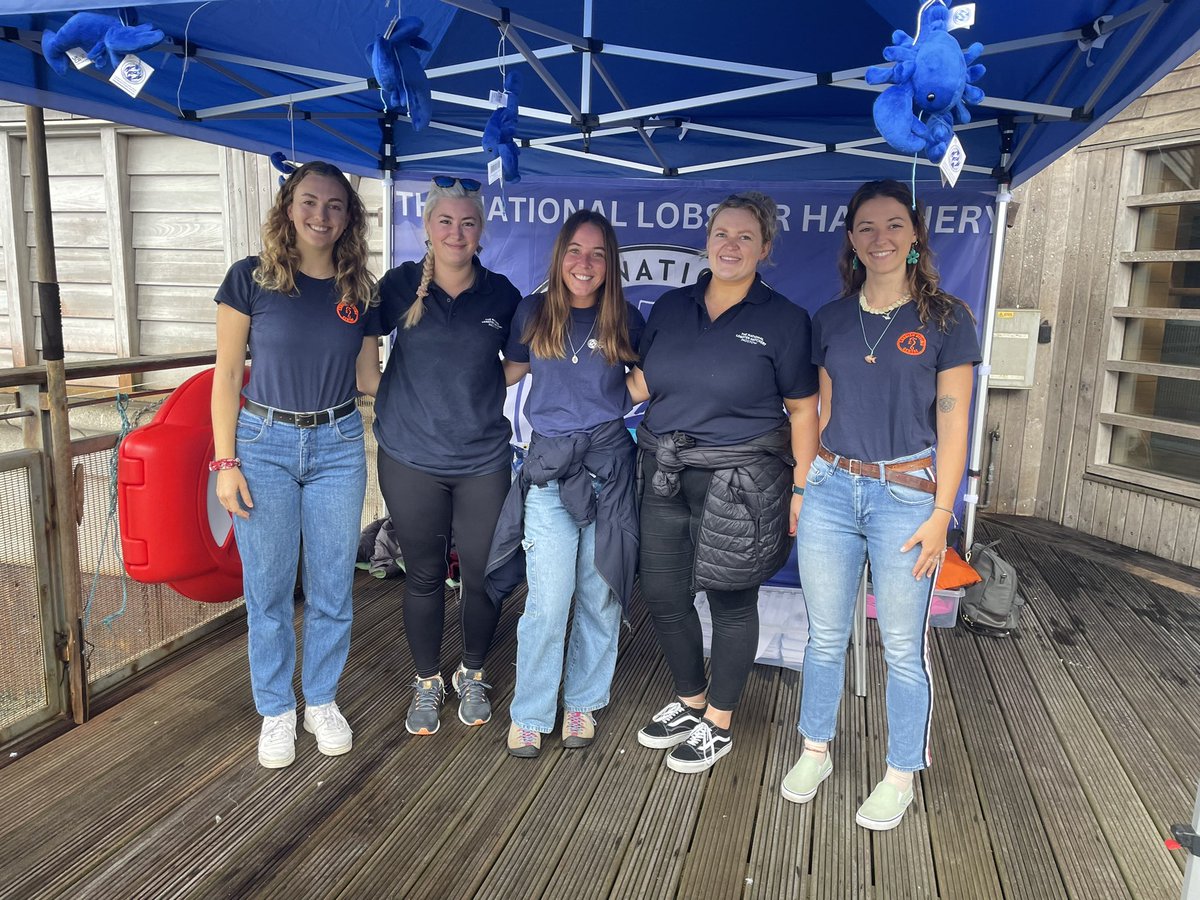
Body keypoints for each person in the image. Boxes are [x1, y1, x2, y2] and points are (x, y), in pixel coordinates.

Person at [781, 179, 980, 831]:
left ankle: (899, 773)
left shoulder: (947, 319)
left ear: (916, 235)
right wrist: (804, 485)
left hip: (908, 497)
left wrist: (940, 516)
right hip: (834, 490)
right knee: (825, 638)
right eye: (866, 227)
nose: (881, 238)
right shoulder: (831, 320)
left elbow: (955, 425)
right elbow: (820, 410)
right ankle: (816, 749)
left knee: (901, 647)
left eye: (894, 225)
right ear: (851, 239)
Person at [627, 192, 819, 774]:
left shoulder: (784, 320)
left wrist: (803, 490)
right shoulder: (670, 306)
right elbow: (640, 384)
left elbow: (805, 412)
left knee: (732, 600)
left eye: (744, 237)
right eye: (721, 234)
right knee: (662, 592)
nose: (730, 245)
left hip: (743, 479)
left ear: (765, 248)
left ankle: (721, 722)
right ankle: (691, 700)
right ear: (706, 240)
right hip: (664, 468)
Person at [211, 160, 381, 769]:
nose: (320, 215)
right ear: (289, 207)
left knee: (335, 585)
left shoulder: (359, 290)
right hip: (264, 444)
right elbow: (226, 376)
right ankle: (277, 708)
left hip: (337, 444)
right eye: (309, 202)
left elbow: (368, 380)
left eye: (335, 206)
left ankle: (322, 700)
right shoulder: (250, 280)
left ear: (348, 219)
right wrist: (224, 460)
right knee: (270, 589)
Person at [487, 210, 645, 758]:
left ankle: (581, 702)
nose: (585, 263)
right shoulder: (533, 311)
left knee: (598, 595)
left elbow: (651, 376)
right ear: (559, 256)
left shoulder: (624, 317)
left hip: (608, 474)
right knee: (549, 602)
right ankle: (531, 711)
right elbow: (508, 371)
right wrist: (448, 375)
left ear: (611, 263)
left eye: (598, 254)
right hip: (550, 474)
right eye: (575, 251)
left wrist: (623, 400)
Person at [372, 176, 522, 735]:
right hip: (410, 457)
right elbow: (362, 332)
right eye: (444, 221)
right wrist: (376, 382)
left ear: (481, 231)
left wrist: (478, 387)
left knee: (483, 575)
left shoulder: (502, 295)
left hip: (482, 459)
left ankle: (474, 672)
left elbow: (520, 361)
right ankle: (427, 681)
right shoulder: (401, 285)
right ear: (426, 228)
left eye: (467, 222)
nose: (456, 232)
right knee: (425, 575)